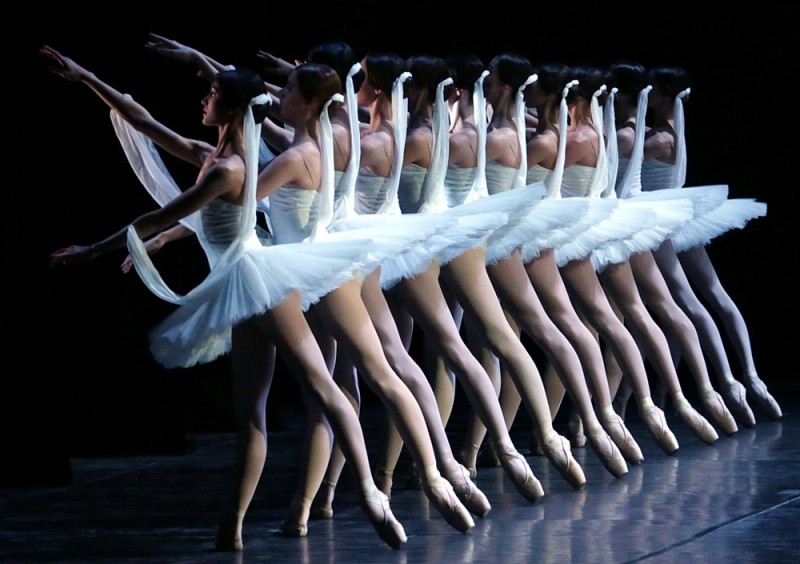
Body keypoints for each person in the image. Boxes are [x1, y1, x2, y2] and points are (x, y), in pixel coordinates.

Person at [40, 45, 408, 550]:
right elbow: (147, 124)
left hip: (262, 280)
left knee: (322, 387)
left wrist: (92, 251)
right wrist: (87, 75)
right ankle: (231, 527)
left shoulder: (230, 169)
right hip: (238, 287)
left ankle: (369, 492)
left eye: (212, 94)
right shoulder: (214, 156)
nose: (204, 100)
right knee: (249, 413)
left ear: (232, 108)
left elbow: (158, 218)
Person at [320, 51, 549, 507]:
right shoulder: (416, 131)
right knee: (419, 358)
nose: (357, 85)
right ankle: (407, 472)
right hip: (403, 247)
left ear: (383, 87)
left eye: (361, 79)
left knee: (429, 356)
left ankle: (467, 458)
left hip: (396, 250)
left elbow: (334, 156)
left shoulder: (410, 137)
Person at [433, 53, 627, 482]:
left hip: (498, 240)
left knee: (531, 334)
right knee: (501, 342)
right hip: (500, 238)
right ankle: (480, 449)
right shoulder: (522, 132)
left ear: (499, 88)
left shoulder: (509, 137)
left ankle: (593, 421)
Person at [635, 65, 780, 423]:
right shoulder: (672, 132)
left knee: (686, 301)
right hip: (678, 214)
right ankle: (747, 378)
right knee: (709, 295)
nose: (647, 93)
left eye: (652, 88)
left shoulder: (658, 139)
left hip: (659, 221)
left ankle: (731, 382)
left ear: (665, 92)